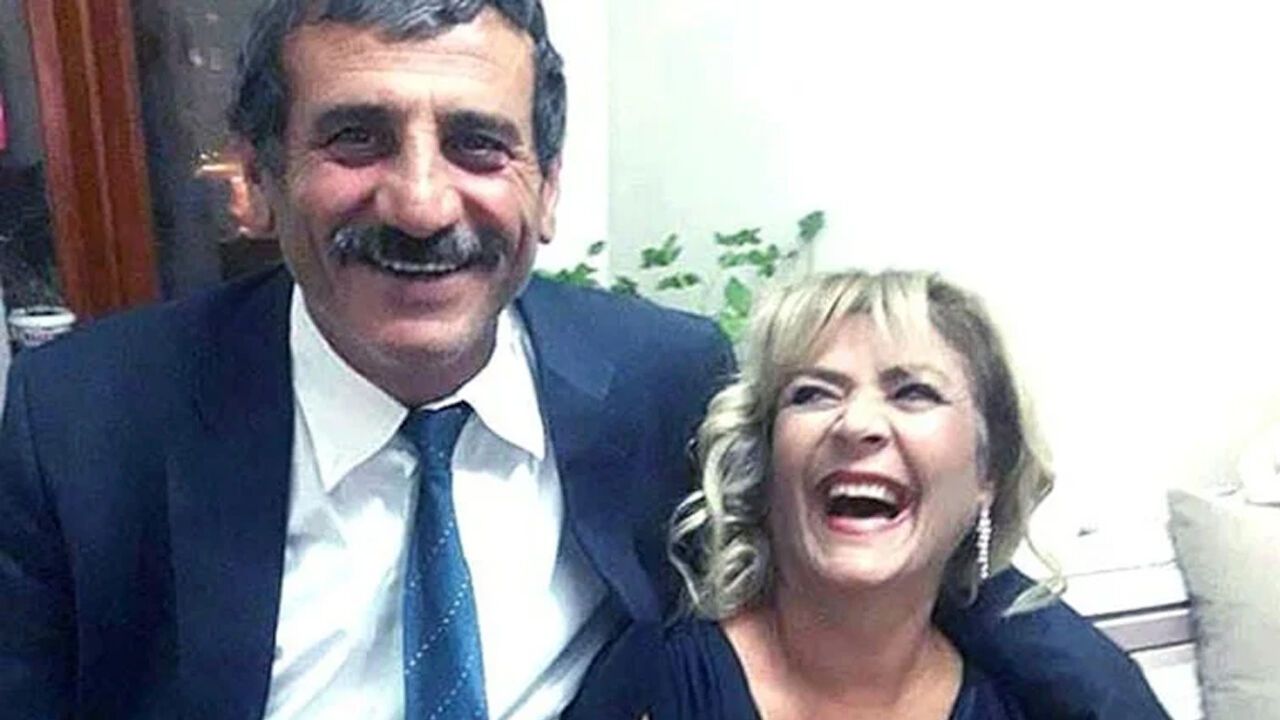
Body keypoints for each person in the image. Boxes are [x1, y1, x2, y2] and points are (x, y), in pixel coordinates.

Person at [0, 2, 1165, 718]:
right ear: (257, 177)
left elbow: (887, 542)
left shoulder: (661, 379)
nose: (420, 203)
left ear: (547, 190)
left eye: (478, 145)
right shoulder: (88, 419)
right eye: (356, 138)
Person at [567, 270, 1169, 720]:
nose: (856, 424)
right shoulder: (657, 687)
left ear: (988, 471)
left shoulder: (1033, 702)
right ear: (767, 464)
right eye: (813, 394)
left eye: (914, 393)